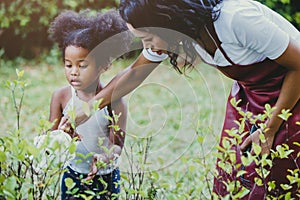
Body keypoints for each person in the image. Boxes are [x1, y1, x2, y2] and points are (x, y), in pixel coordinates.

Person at [66, 0, 299, 199]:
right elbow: (134, 74)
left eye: (148, 38)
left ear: (167, 22)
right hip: (248, 99)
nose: (147, 47)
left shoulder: (235, 19)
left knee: (277, 181)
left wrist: (270, 129)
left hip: (291, 99)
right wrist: (89, 108)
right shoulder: (183, 31)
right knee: (233, 179)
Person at [48, 9, 130, 199]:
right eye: (68, 65)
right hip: (72, 175)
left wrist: (104, 157)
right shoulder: (60, 97)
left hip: (105, 177)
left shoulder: (114, 101)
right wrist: (60, 137)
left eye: (82, 65)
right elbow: (49, 139)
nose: (74, 72)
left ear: (104, 65)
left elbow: (117, 145)